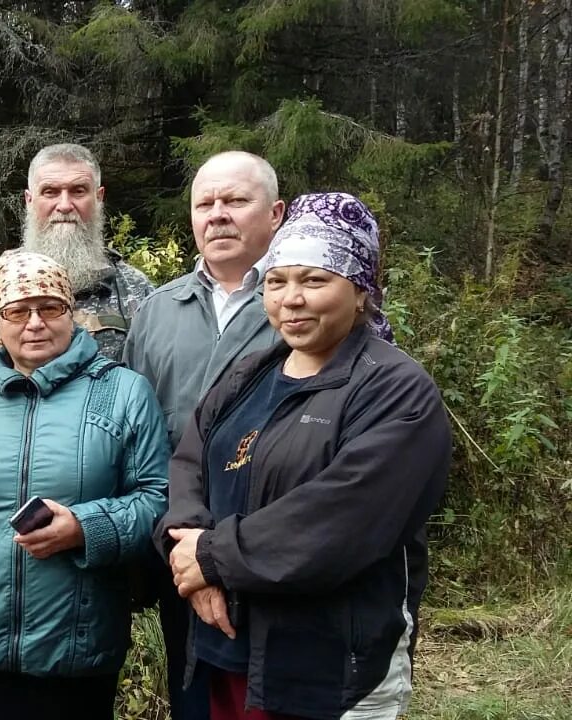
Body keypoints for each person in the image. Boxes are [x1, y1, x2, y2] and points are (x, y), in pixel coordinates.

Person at [157, 192, 451, 720]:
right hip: (231, 651)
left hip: (331, 664)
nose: (290, 299)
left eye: (315, 281)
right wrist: (187, 547)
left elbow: (342, 517)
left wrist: (211, 558)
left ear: (360, 291)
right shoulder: (248, 375)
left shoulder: (394, 390)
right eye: (276, 281)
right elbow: (188, 465)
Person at [0, 250, 170, 720]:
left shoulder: (123, 392)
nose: (34, 323)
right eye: (17, 312)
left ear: (72, 313)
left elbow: (157, 498)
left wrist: (85, 527)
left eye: (50, 307)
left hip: (74, 655)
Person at [122, 150, 286, 720]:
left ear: (276, 214)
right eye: (205, 204)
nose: (217, 215)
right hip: (180, 546)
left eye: (235, 201)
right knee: (193, 692)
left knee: (270, 694)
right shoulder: (157, 311)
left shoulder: (302, 302)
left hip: (272, 549)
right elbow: (135, 431)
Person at [0, 143, 153, 361]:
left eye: (78, 191)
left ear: (99, 197)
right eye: (50, 192)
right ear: (29, 200)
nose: (65, 205)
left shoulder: (135, 289)